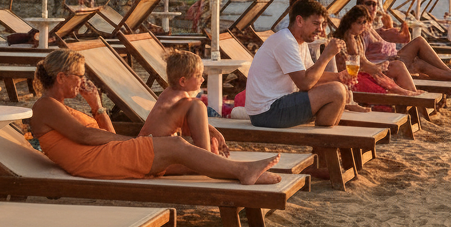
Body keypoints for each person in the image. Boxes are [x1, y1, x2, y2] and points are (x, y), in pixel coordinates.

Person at [29, 50, 279, 184]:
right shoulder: (45, 106)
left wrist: (97, 106)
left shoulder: (63, 108)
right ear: (61, 77)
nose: (82, 81)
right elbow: (85, 135)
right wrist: (133, 143)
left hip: (105, 158)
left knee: (186, 159)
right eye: (79, 76)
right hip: (95, 164)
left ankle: (243, 172)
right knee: (176, 144)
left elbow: (104, 134)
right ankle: (243, 171)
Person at [244, 0, 350, 128]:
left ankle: (324, 136)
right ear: (299, 21)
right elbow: (305, 83)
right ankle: (322, 138)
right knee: (336, 91)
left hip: (277, 106)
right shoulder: (285, 40)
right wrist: (327, 55)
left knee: (341, 89)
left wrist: (338, 77)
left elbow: (312, 76)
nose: (320, 29)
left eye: (322, 24)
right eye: (316, 23)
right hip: (267, 111)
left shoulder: (299, 42)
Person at [354, 0, 451, 84]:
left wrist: (388, 29)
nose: (372, 7)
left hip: (393, 59)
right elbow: (361, 58)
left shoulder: (371, 26)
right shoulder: (359, 28)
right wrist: (382, 62)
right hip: (387, 65)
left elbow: (391, 40)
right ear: (360, 6)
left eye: (375, 4)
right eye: (368, 4)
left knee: (419, 64)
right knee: (419, 42)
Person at [138, 50, 229, 156]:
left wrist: (211, 130)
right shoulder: (184, 101)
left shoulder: (169, 94)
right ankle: (211, 157)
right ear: (182, 81)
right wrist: (210, 152)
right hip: (150, 153)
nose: (202, 79)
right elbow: (194, 130)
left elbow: (191, 127)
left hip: (144, 146)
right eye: (198, 75)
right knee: (199, 107)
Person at [328, 6, 423, 96]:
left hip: (357, 73)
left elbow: (363, 62)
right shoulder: (349, 37)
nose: (363, 25)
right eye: (359, 22)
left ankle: (409, 94)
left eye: (364, 22)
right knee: (396, 67)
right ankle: (408, 94)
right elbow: (361, 63)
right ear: (350, 23)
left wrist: (380, 65)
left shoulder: (356, 36)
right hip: (350, 78)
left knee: (398, 65)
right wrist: (378, 67)